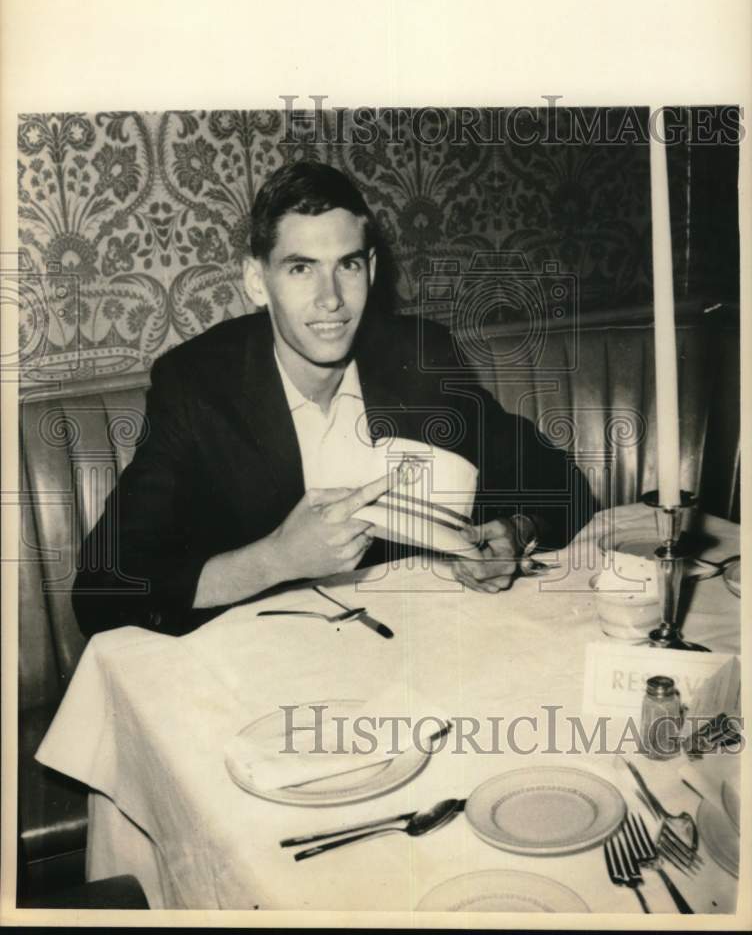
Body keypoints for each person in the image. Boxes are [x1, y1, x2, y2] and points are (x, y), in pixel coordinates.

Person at [73, 161, 597, 637]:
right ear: (258, 281)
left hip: (409, 653)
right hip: (260, 669)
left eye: (346, 265)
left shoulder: (418, 356)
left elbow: (561, 484)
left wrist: (512, 532)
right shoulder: (198, 386)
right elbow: (101, 591)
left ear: (369, 270)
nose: (331, 299)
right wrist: (276, 558)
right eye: (301, 268)